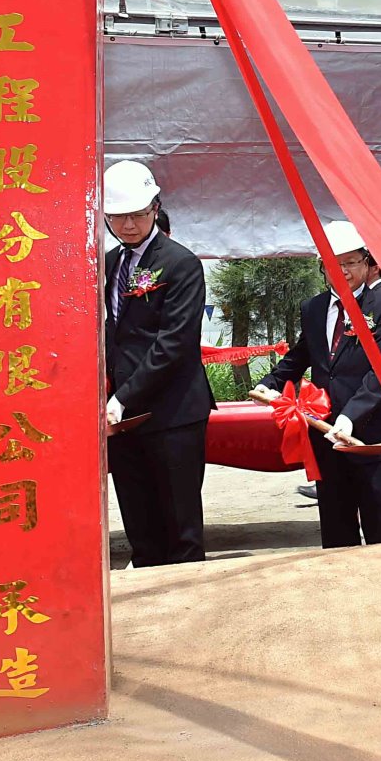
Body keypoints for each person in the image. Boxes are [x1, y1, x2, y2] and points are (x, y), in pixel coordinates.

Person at [255, 220, 381, 547]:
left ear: (367, 263)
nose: (342, 270)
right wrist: (270, 383)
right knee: (336, 529)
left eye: (350, 262)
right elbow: (301, 355)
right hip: (326, 436)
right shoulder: (313, 308)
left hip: (374, 437)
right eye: (332, 263)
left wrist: (349, 416)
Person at [103, 160, 215, 567]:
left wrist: (123, 397)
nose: (128, 224)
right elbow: (112, 333)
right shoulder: (111, 264)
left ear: (155, 207)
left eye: (137, 214)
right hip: (124, 415)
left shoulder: (181, 263)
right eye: (117, 216)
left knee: (179, 520)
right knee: (138, 517)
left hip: (173, 411)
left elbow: (174, 343)